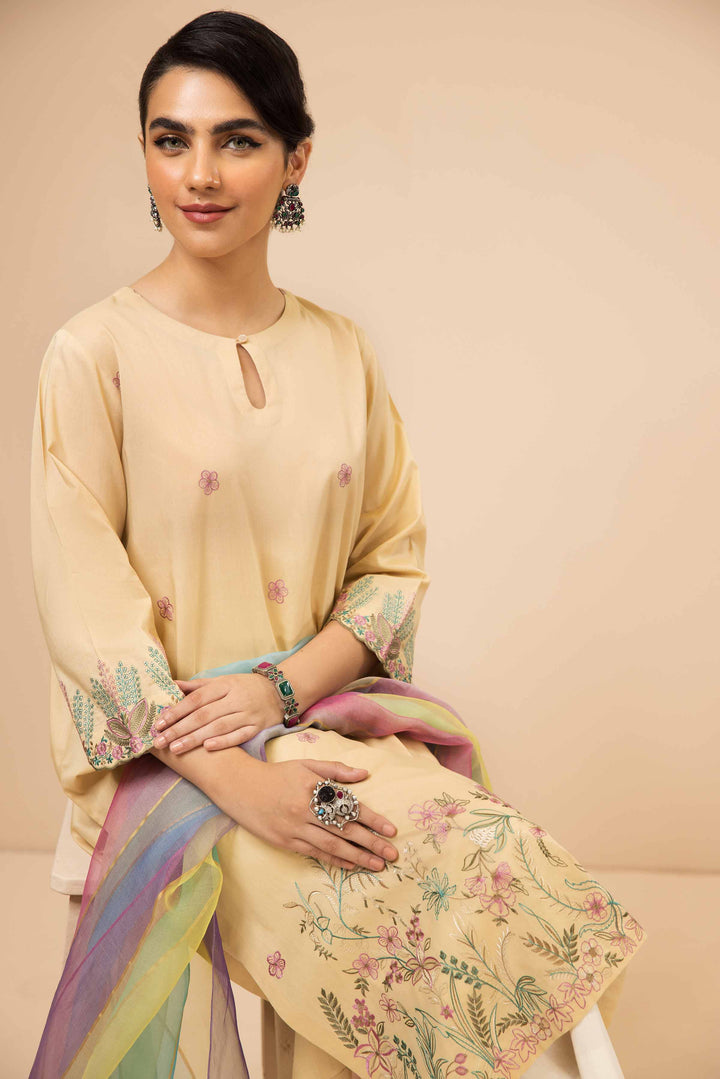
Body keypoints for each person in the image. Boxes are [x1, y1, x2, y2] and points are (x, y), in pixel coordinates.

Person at [29, 11, 647, 1078]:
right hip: (169, 762)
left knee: (505, 865)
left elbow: (390, 565)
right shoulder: (93, 356)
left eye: (238, 139)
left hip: (323, 720)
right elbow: (93, 626)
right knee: (374, 905)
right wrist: (246, 784)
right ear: (145, 153)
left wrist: (278, 690)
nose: (200, 173)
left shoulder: (341, 351)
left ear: (296, 158)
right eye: (171, 140)